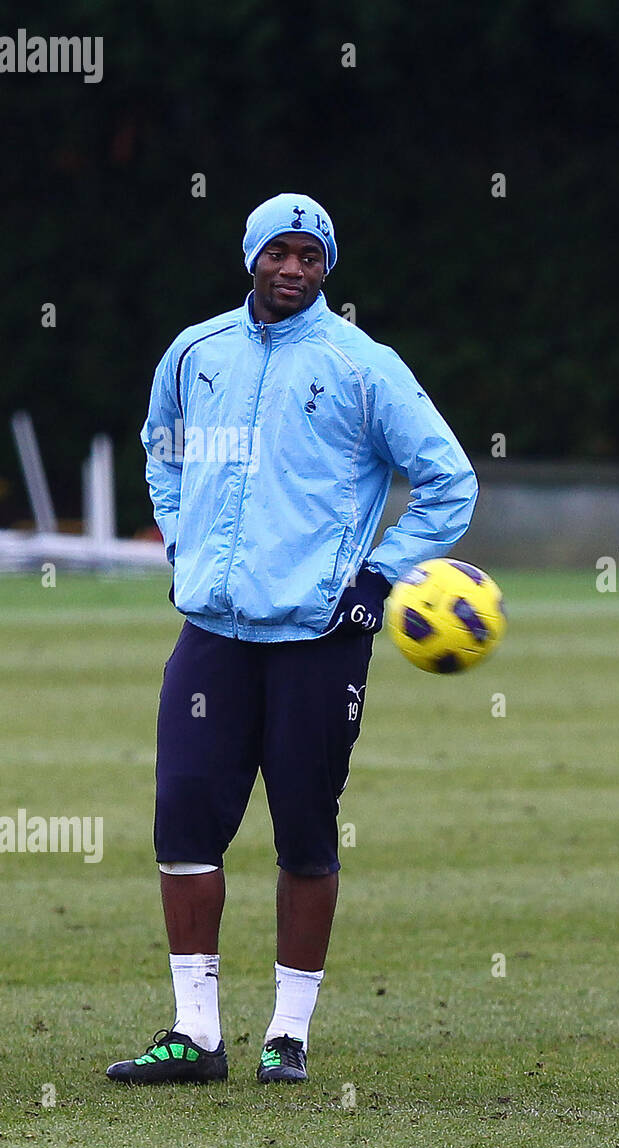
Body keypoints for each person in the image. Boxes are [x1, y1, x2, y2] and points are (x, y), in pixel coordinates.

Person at [109, 192, 477, 1085]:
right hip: (211, 633)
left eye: (312, 257)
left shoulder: (363, 365)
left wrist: (380, 577)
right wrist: (182, 540)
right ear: (251, 255)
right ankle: (195, 1035)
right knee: (183, 822)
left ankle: (288, 1034)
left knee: (305, 835)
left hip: (318, 634)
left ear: (327, 269)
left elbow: (449, 480)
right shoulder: (196, 353)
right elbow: (162, 447)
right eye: (280, 251)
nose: (294, 269)